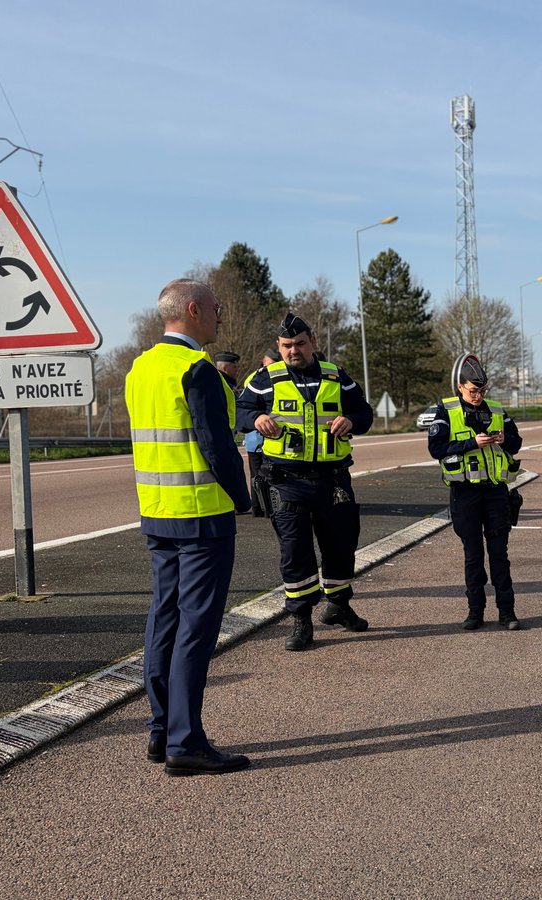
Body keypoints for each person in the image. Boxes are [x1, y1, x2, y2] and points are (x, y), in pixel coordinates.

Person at [125, 278, 252, 776]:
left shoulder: (139, 369)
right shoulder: (197, 370)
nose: (220, 318)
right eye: (216, 310)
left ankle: (161, 731)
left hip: (157, 511)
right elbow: (216, 446)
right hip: (201, 514)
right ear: (194, 311)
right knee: (195, 630)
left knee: (164, 621)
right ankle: (186, 741)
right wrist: (243, 499)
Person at [236, 313, 373, 650]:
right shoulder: (264, 378)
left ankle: (339, 607)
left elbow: (365, 413)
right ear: (279, 347)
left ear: (312, 342)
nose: (293, 350)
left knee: (341, 545)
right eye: (286, 345)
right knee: (295, 553)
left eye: (299, 343)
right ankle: (300, 619)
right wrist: (257, 418)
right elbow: (239, 412)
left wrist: (351, 420)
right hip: (286, 481)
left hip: (334, 480)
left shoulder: (336, 375)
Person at [427, 357, 524, 630]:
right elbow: (435, 448)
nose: (478, 396)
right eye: (473, 391)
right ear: (460, 387)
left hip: (495, 493)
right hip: (465, 494)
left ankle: (507, 613)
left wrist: (506, 440)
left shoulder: (496, 410)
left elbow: (516, 443)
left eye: (482, 391)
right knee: (473, 556)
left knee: (499, 555)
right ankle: (475, 613)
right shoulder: (445, 411)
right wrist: (471, 443)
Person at [242, 349, 281, 517]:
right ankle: (265, 509)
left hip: (254, 438)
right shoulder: (261, 379)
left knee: (257, 474)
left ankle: (258, 508)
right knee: (264, 475)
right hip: (260, 436)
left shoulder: (252, 377)